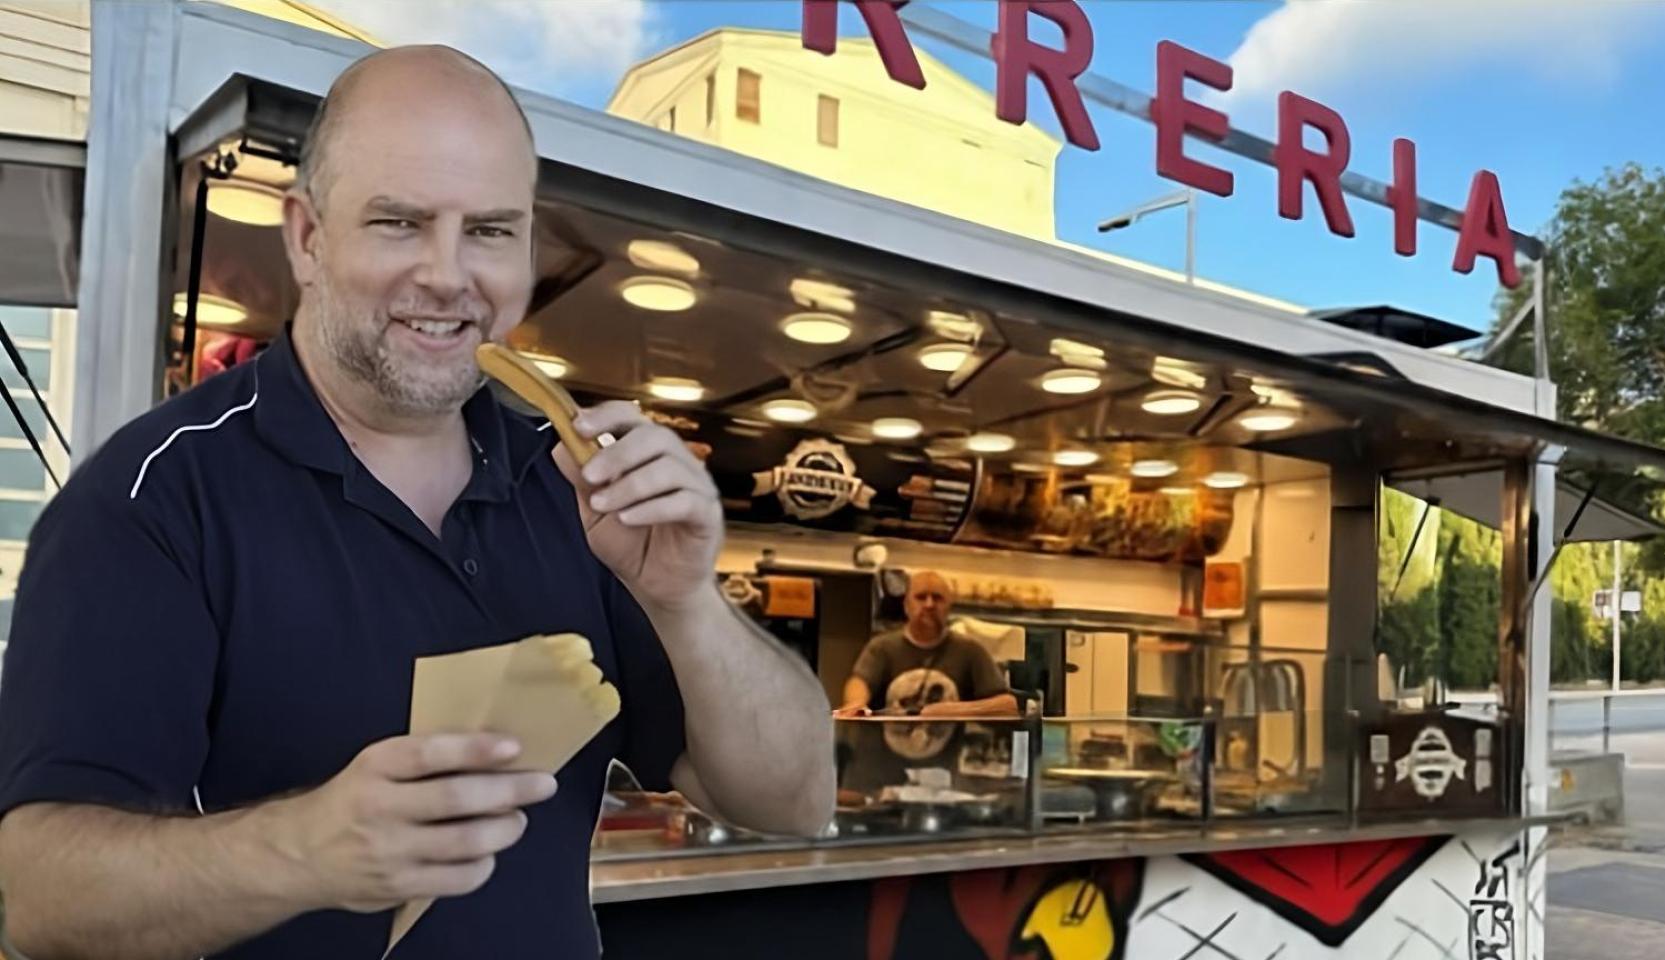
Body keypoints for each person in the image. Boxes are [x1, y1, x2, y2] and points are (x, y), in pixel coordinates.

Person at [0, 46, 832, 960]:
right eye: (400, 222)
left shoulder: (573, 487)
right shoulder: (156, 496)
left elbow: (794, 800)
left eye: (490, 231)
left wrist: (687, 601)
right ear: (308, 238)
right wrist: (306, 851)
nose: (448, 275)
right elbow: (40, 897)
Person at [834, 571, 1017, 720]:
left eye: (937, 598)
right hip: (884, 755)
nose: (929, 604)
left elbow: (1008, 705)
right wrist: (856, 704)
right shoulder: (881, 647)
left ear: (949, 606)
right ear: (906, 605)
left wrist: (950, 711)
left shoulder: (970, 650)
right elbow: (860, 682)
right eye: (921, 597)